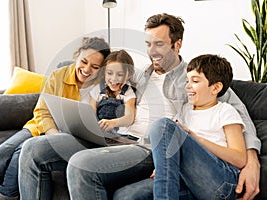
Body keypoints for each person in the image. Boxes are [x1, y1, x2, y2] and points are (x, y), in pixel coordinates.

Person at [66, 13, 261, 200]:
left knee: (81, 165)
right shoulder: (140, 76)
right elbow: (110, 78)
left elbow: (238, 111)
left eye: (159, 44)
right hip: (120, 137)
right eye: (148, 44)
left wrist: (251, 161)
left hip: (148, 147)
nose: (152, 51)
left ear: (177, 45)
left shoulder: (195, 78)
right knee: (37, 148)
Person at [0, 36, 110, 200]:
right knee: (0, 152)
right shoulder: (58, 75)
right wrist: (52, 134)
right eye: (84, 61)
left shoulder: (103, 85)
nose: (87, 69)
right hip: (39, 127)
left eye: (95, 66)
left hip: (70, 136)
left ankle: (5, 196)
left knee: (19, 155)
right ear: (77, 56)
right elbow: (42, 111)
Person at [150, 54, 247, 199]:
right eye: (187, 80)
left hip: (222, 181)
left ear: (215, 88)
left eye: (195, 81)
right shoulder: (185, 110)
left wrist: (197, 139)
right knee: (128, 195)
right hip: (191, 182)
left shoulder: (225, 111)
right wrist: (163, 165)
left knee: (163, 125)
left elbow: (239, 159)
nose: (188, 86)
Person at [91, 50, 136, 135]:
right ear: (104, 73)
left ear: (128, 75)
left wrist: (113, 122)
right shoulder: (98, 90)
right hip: (98, 132)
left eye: (120, 74)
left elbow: (129, 118)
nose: (114, 79)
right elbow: (91, 113)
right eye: (109, 73)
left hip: (117, 135)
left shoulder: (128, 93)